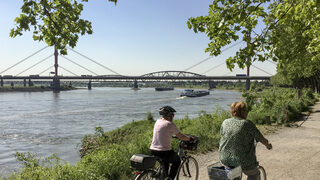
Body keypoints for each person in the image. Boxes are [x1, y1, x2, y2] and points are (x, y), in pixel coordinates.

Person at [219, 102, 272, 180]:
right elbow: (261, 138)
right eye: (246, 110)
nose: (247, 112)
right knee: (254, 173)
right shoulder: (247, 124)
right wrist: (268, 145)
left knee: (234, 175)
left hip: (225, 158)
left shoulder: (225, 122)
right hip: (243, 160)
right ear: (242, 112)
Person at [150, 106, 191, 180]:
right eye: (173, 115)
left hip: (153, 150)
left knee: (165, 166)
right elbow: (181, 136)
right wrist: (189, 138)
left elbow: (162, 132)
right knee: (177, 161)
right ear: (169, 115)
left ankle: (164, 177)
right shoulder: (170, 124)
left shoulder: (158, 121)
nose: (173, 117)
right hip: (164, 152)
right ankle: (171, 178)